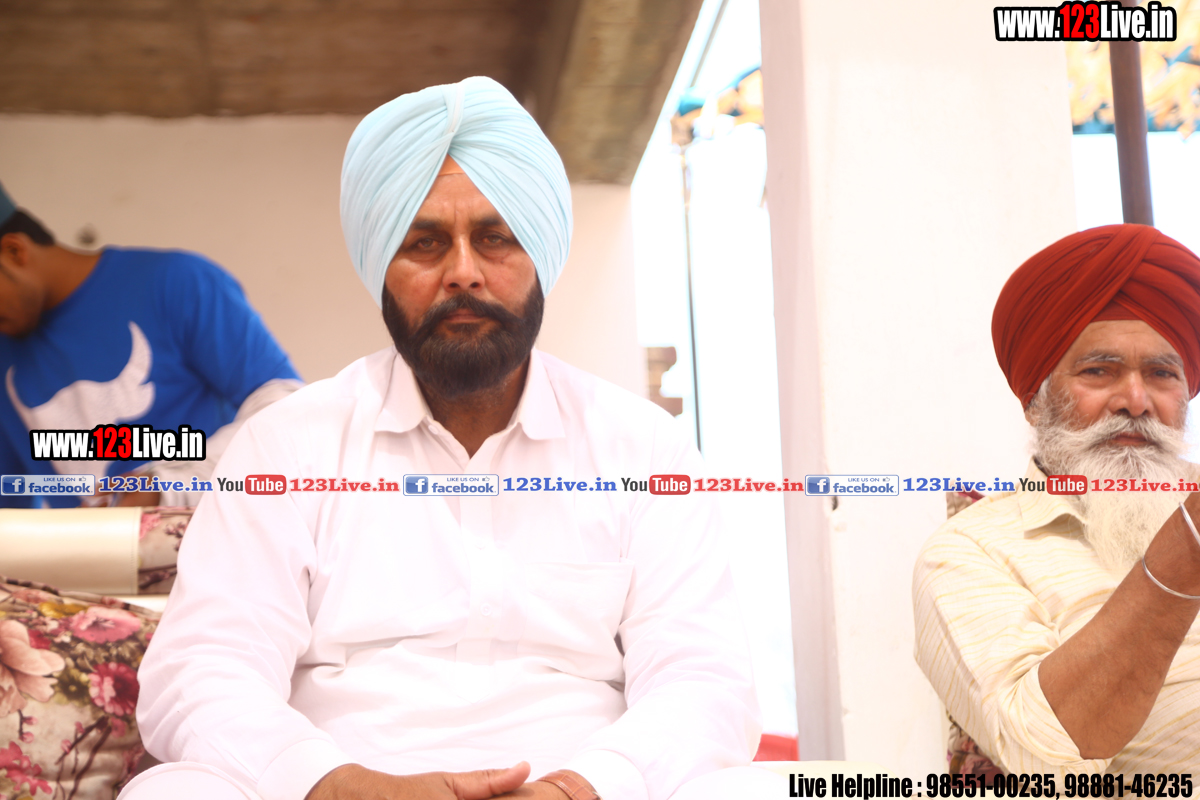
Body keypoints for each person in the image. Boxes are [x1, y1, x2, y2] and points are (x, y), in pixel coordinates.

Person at [123, 77, 771, 800]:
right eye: (425, 243)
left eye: (495, 238)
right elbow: (203, 669)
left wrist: (575, 789)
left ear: (540, 255)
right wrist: (341, 785)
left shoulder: (642, 449)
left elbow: (702, 678)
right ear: (383, 269)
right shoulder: (286, 447)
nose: (463, 273)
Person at [913, 224, 1200, 776]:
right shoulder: (969, 551)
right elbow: (1046, 763)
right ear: (1034, 400)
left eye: (1162, 374)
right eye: (1099, 372)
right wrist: (1185, 551)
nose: (1135, 400)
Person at [0, 183, 302, 507]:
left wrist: (169, 488)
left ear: (15, 252)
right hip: (89, 542)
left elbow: (286, 408)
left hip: (216, 530)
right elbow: (11, 504)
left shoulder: (175, 282)